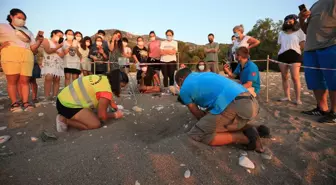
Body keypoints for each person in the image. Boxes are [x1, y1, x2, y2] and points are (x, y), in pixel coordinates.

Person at [176, 68, 264, 152]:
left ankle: (245, 138)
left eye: (179, 85)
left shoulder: (184, 89)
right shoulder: (205, 75)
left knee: (197, 134)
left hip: (236, 106)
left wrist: (204, 122)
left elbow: (197, 114)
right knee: (218, 120)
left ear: (181, 79)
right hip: (252, 103)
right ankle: (253, 129)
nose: (180, 87)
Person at [55, 69, 129, 132]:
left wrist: (114, 106)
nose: (121, 90)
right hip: (67, 105)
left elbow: (107, 96)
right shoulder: (105, 92)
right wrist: (115, 115)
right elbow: (102, 117)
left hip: (62, 98)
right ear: (117, 84)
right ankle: (64, 120)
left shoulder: (103, 77)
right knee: (95, 124)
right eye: (121, 87)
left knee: (94, 112)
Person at [299, 0, 336, 123]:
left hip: (330, 45)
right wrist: (301, 19)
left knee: (333, 80)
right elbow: (306, 30)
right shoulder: (315, 4)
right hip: (311, 47)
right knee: (315, 81)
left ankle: (334, 112)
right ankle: (322, 108)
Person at [0, 8, 43, 112]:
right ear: (11, 17)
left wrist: (39, 42)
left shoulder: (28, 31)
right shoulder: (3, 26)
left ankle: (26, 102)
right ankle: (14, 103)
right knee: (12, 81)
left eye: (24, 19)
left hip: (27, 55)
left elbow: (33, 48)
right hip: (10, 54)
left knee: (25, 81)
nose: (22, 20)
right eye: (19, 18)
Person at [277, 14, 306, 105]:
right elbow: (280, 44)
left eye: (290, 20)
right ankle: (287, 96)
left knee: (295, 77)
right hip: (283, 55)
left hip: (295, 55)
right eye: (286, 21)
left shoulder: (300, 31)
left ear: (294, 21)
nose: (288, 22)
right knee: (284, 77)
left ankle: (298, 99)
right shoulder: (281, 33)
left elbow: (302, 45)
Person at [41, 29, 65, 101]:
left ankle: (55, 95)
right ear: (54, 34)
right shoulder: (46, 40)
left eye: (62, 36)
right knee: (48, 78)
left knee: (57, 79)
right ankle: (47, 96)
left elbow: (62, 55)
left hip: (58, 63)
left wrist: (57, 49)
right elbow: (48, 50)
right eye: (59, 35)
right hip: (49, 62)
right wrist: (57, 47)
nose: (60, 37)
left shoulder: (61, 44)